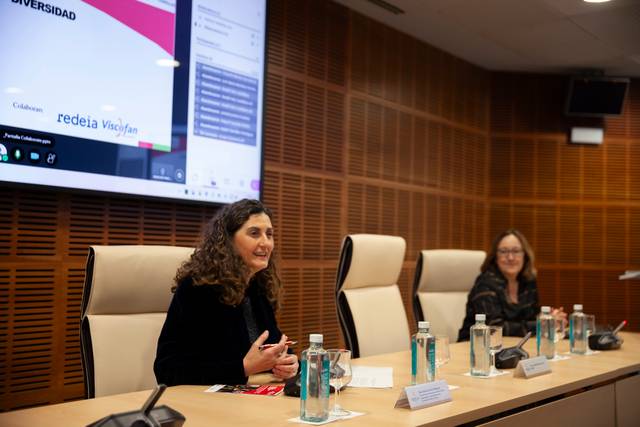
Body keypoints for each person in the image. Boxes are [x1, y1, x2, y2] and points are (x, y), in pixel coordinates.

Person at [154, 199, 298, 386]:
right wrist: (243, 368)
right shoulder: (197, 288)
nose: (266, 243)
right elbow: (168, 370)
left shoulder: (258, 287)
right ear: (228, 240)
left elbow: (274, 348)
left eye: (269, 234)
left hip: (251, 398)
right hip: (207, 404)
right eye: (254, 233)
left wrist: (290, 364)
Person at [457, 228, 566, 341]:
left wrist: (549, 318)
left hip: (513, 348)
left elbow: (531, 317)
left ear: (525, 255)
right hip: (474, 349)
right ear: (495, 256)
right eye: (503, 251)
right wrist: (540, 325)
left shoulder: (528, 281)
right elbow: (495, 329)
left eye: (516, 251)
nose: (510, 257)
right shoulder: (485, 284)